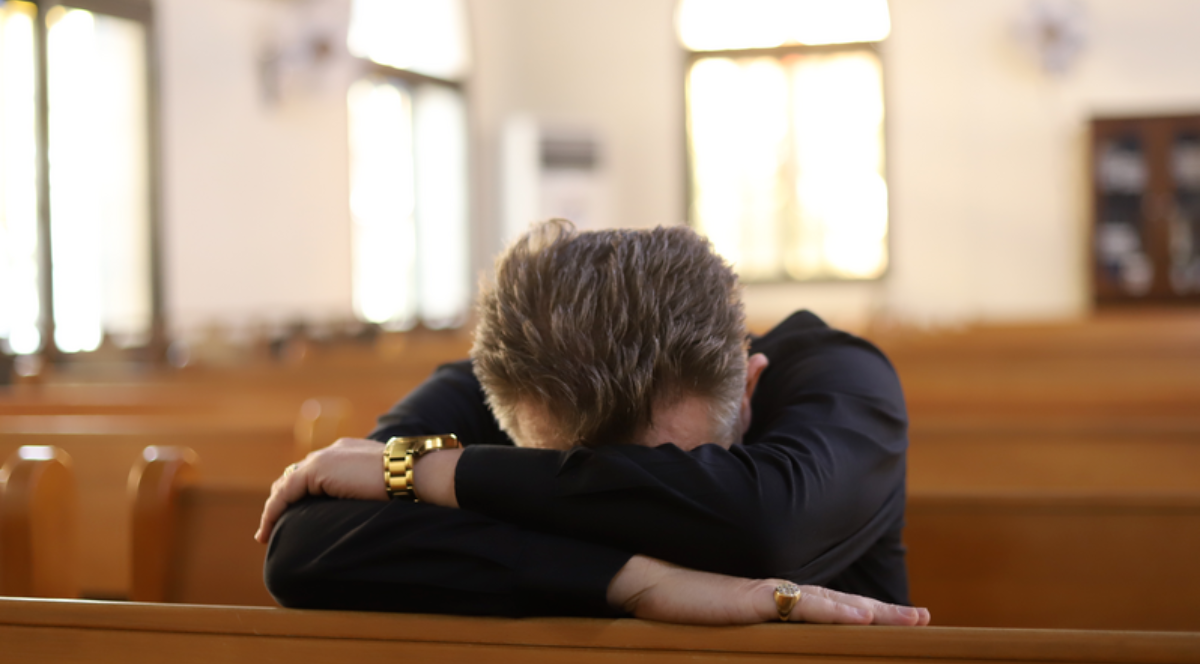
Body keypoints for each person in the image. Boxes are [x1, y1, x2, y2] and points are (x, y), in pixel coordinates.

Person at [255, 222, 928, 626]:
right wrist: (637, 581)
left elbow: (765, 522)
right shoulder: (501, 378)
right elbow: (303, 547)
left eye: (674, 476)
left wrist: (431, 471)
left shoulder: (839, 377)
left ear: (749, 384)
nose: (629, 502)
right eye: (571, 465)